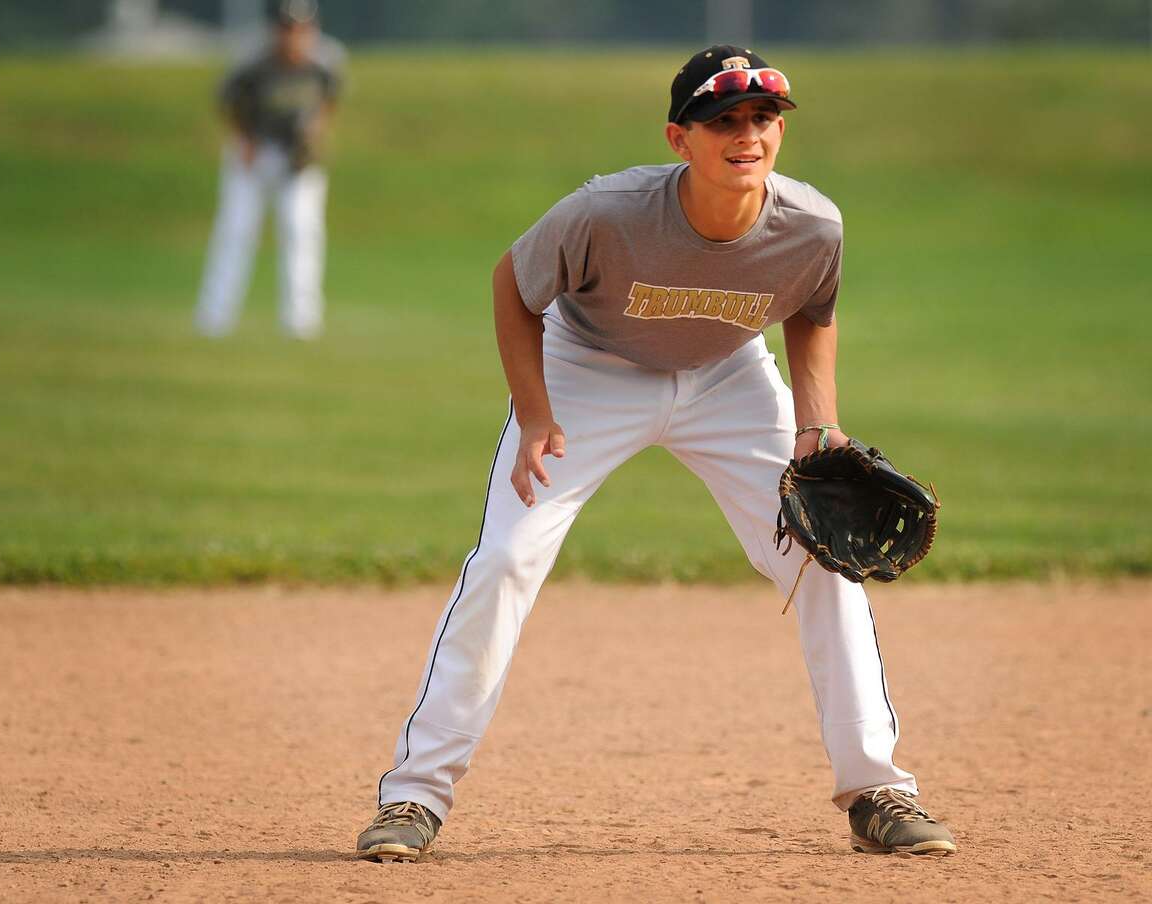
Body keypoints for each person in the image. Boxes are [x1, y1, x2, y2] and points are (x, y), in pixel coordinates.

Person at [357, 45, 957, 862]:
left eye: (762, 118)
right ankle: (413, 799)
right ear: (680, 139)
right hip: (589, 371)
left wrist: (818, 427)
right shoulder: (607, 213)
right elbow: (512, 283)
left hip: (729, 377)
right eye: (724, 121)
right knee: (505, 559)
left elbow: (814, 311)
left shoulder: (812, 224)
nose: (747, 135)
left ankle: (878, 790)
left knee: (824, 561)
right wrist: (534, 415)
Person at [194, 0, 339, 340]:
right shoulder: (253, 61)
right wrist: (242, 139)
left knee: (302, 229)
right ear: (275, 30)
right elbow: (227, 100)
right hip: (254, 151)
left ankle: (301, 320)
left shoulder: (327, 59)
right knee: (236, 229)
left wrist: (318, 132)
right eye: (288, 29)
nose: (295, 38)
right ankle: (215, 316)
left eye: (302, 30)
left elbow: (330, 98)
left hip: (296, 155)